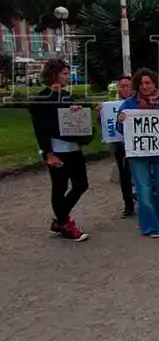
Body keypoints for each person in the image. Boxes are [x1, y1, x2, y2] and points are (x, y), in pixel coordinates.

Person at [27, 58, 93, 241]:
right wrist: (48, 153)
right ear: (54, 75)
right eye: (64, 73)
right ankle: (65, 223)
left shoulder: (67, 96)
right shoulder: (40, 100)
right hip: (57, 149)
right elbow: (40, 130)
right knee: (60, 186)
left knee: (81, 184)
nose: (68, 77)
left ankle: (59, 220)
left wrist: (77, 112)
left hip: (74, 147)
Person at [117, 68, 159, 238]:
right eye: (141, 83)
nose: (145, 86)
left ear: (154, 84)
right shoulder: (128, 105)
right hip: (139, 155)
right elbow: (121, 129)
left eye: (148, 83)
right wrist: (121, 121)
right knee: (143, 191)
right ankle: (151, 227)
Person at [96, 75, 135, 217]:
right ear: (118, 88)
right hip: (120, 145)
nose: (125, 88)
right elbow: (106, 126)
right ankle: (129, 206)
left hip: (138, 144)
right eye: (122, 86)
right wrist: (99, 115)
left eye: (128, 85)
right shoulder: (111, 105)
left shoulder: (139, 103)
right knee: (124, 176)